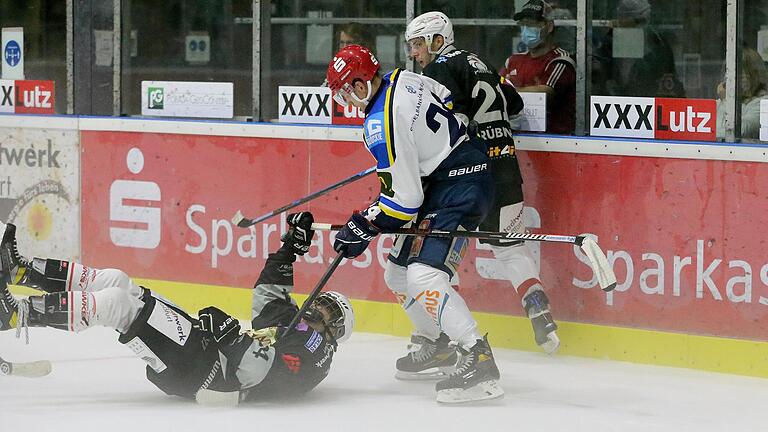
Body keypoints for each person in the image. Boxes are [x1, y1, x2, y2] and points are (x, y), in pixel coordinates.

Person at [0, 213, 354, 403]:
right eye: (321, 300)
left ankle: (17, 314)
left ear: (336, 330)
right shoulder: (294, 323)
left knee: (117, 305)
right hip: (204, 351)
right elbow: (268, 293)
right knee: (117, 281)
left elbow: (264, 373)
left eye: (328, 310)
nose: (318, 306)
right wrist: (290, 248)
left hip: (208, 374)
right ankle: (23, 271)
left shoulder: (317, 351)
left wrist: (233, 339)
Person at [326, 44, 503, 403]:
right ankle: (438, 344)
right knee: (398, 274)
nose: (345, 99)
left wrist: (363, 223)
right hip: (445, 179)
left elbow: (405, 203)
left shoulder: (379, 123)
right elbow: (447, 99)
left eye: (346, 90)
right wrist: (426, 151)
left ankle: (478, 357)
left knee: (424, 276)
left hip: (460, 187)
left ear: (361, 85)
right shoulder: (402, 77)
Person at [404, 11, 560, 357]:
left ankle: (443, 336)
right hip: (506, 168)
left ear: (437, 40)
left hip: (468, 177)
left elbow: (452, 123)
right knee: (509, 249)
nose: (415, 54)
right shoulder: (483, 64)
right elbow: (516, 103)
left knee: (437, 257)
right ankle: (537, 305)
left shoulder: (438, 69)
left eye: (418, 44)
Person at [500, 0, 576, 135]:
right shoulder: (513, 60)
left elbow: (544, 92)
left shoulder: (561, 61)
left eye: (533, 24)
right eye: (523, 24)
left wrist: (508, 91)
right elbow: (496, 86)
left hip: (554, 139)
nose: (526, 29)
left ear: (549, 26)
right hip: (517, 136)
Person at [591, 0, 684, 98]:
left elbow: (670, 83)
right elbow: (598, 81)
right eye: (634, 21)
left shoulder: (659, 45)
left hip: (649, 103)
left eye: (642, 21)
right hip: (614, 104)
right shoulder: (608, 43)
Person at [716, 48, 768, 140]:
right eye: (727, 72)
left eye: (739, 74)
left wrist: (726, 100)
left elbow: (731, 132)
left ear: (753, 76)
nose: (728, 79)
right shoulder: (722, 102)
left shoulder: (762, 104)